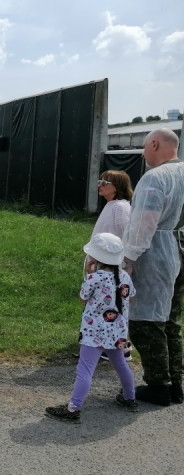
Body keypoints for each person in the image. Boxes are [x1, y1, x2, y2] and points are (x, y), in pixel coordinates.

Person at [46, 233, 138, 422]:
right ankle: (130, 398)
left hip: (93, 332)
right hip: (118, 332)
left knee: (85, 369)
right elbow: (132, 297)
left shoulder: (94, 278)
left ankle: (73, 408)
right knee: (121, 364)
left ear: (96, 257)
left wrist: (89, 274)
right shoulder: (125, 277)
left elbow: (83, 298)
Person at [122, 128, 184, 406]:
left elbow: (143, 225)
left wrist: (129, 260)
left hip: (156, 253)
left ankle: (158, 385)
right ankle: (176, 384)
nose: (143, 153)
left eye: (145, 147)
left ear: (155, 144)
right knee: (171, 319)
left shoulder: (155, 178)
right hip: (179, 250)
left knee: (145, 321)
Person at [90, 170, 134, 360]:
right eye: (99, 181)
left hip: (114, 266)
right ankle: (107, 345)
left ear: (116, 187)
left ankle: (123, 348)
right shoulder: (111, 205)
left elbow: (126, 236)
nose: (99, 185)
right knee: (105, 305)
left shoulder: (120, 207)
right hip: (104, 264)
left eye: (104, 182)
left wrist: (123, 264)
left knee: (116, 307)